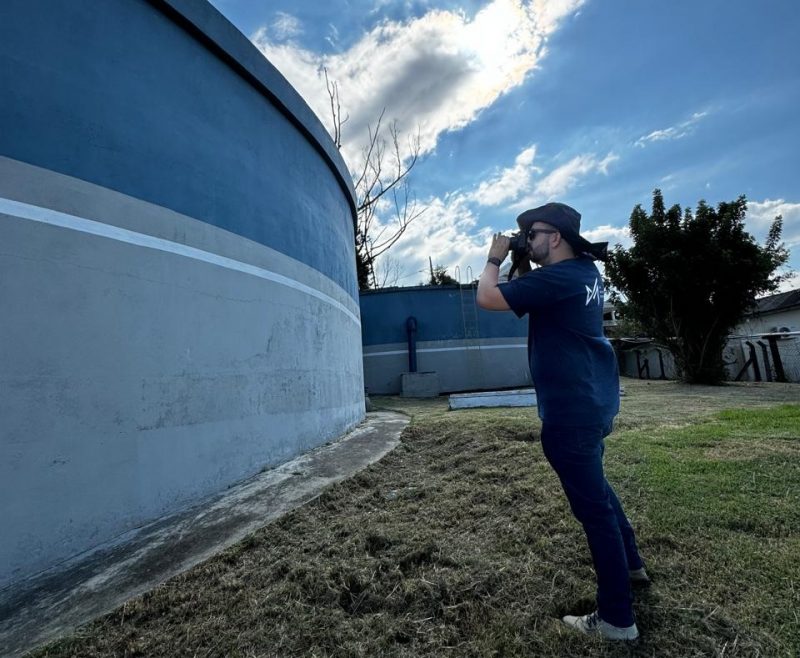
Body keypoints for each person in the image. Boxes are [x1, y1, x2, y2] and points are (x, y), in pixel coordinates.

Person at [476, 202, 649, 641]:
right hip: (593, 399)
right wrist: (520, 256)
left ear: (555, 237)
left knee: (592, 509)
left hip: (569, 410)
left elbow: (488, 297)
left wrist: (495, 258)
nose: (527, 241)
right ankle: (632, 564)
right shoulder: (585, 273)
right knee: (599, 491)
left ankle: (616, 620)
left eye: (533, 235)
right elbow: (527, 290)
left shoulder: (557, 278)